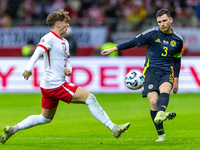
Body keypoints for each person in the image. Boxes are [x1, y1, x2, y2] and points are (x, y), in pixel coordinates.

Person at [0, 9, 130, 144]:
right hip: (55, 84)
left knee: (45, 118)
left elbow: (68, 61)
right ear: (57, 24)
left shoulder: (65, 42)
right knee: (90, 98)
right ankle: (113, 127)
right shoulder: (48, 38)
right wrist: (28, 69)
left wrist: (69, 70)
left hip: (49, 85)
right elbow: (37, 52)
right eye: (65, 22)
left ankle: (13, 129)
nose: (68, 25)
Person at [101, 8, 183, 142]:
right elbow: (133, 42)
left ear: (170, 20)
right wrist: (114, 48)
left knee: (165, 90)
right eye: (159, 22)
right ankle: (161, 134)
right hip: (150, 71)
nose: (162, 24)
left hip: (166, 71)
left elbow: (177, 60)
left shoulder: (178, 40)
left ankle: (161, 113)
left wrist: (177, 79)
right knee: (153, 102)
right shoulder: (152, 33)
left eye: (164, 21)